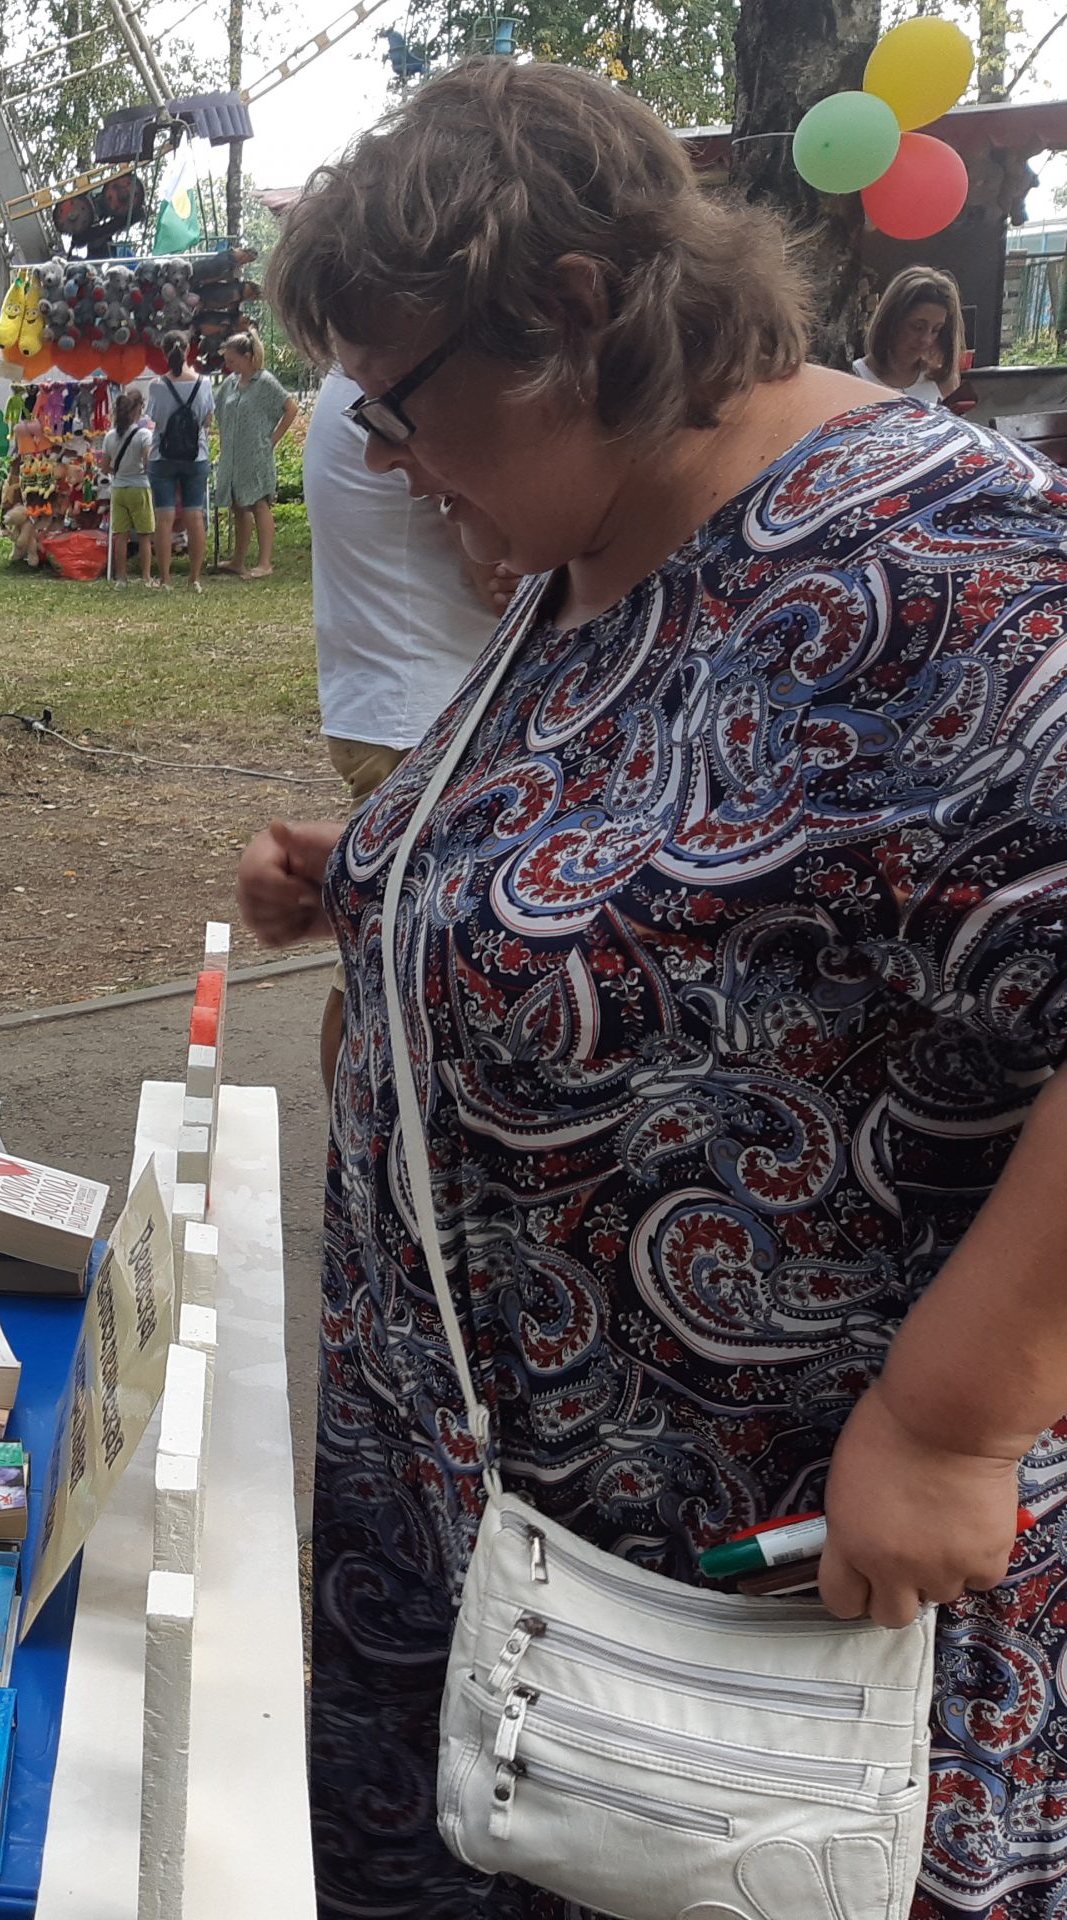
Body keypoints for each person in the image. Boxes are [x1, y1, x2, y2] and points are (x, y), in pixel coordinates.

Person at [240, 59, 1067, 1918]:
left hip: (741, 1626)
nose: (387, 456)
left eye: (401, 402)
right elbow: (668, 878)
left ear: (575, 311)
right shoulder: (615, 523)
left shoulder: (955, 573)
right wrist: (377, 889)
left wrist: (956, 1418)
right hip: (499, 1566)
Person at [300, 365, 507, 1097]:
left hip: (398, 706)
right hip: (419, 715)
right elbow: (502, 567)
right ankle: (357, 1177)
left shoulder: (352, 386)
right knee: (385, 968)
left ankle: (357, 1169)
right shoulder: (395, 396)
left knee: (380, 956)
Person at [208, 330, 298, 578]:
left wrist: (273, 439)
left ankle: (265, 562)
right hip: (234, 456)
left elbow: (291, 408)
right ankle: (238, 560)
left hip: (256, 454)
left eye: (232, 360)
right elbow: (217, 411)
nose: (228, 365)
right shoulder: (230, 384)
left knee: (259, 504)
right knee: (239, 505)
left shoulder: (265, 382)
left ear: (248, 357)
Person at [145, 335, 213, 590]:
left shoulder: (156, 386)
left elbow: (156, 422)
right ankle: (194, 578)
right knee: (195, 515)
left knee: (164, 518)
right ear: (188, 352)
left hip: (162, 457)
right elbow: (207, 420)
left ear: (164, 353)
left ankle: (165, 578)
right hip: (196, 456)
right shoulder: (204, 384)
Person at [853, 263, 965, 405]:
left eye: (936, 330)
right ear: (892, 322)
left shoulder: (942, 380)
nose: (926, 339)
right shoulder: (856, 376)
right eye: (917, 327)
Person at [102, 385, 156, 585]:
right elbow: (148, 461)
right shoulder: (144, 435)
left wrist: (119, 471)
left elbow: (105, 467)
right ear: (138, 410)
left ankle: (121, 578)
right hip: (140, 487)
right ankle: (146, 577)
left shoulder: (109, 436)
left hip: (118, 489)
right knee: (144, 535)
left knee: (121, 536)